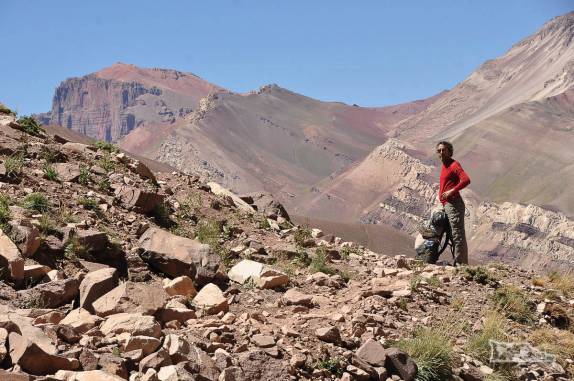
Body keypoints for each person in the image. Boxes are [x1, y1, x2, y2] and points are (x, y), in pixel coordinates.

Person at [436, 141, 470, 265]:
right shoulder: (445, 165)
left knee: (457, 235)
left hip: (454, 204)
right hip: (447, 203)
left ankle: (461, 266)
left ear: (450, 151)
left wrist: (452, 191)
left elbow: (466, 180)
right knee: (452, 234)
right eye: (438, 151)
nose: (441, 152)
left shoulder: (454, 164)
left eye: (443, 150)